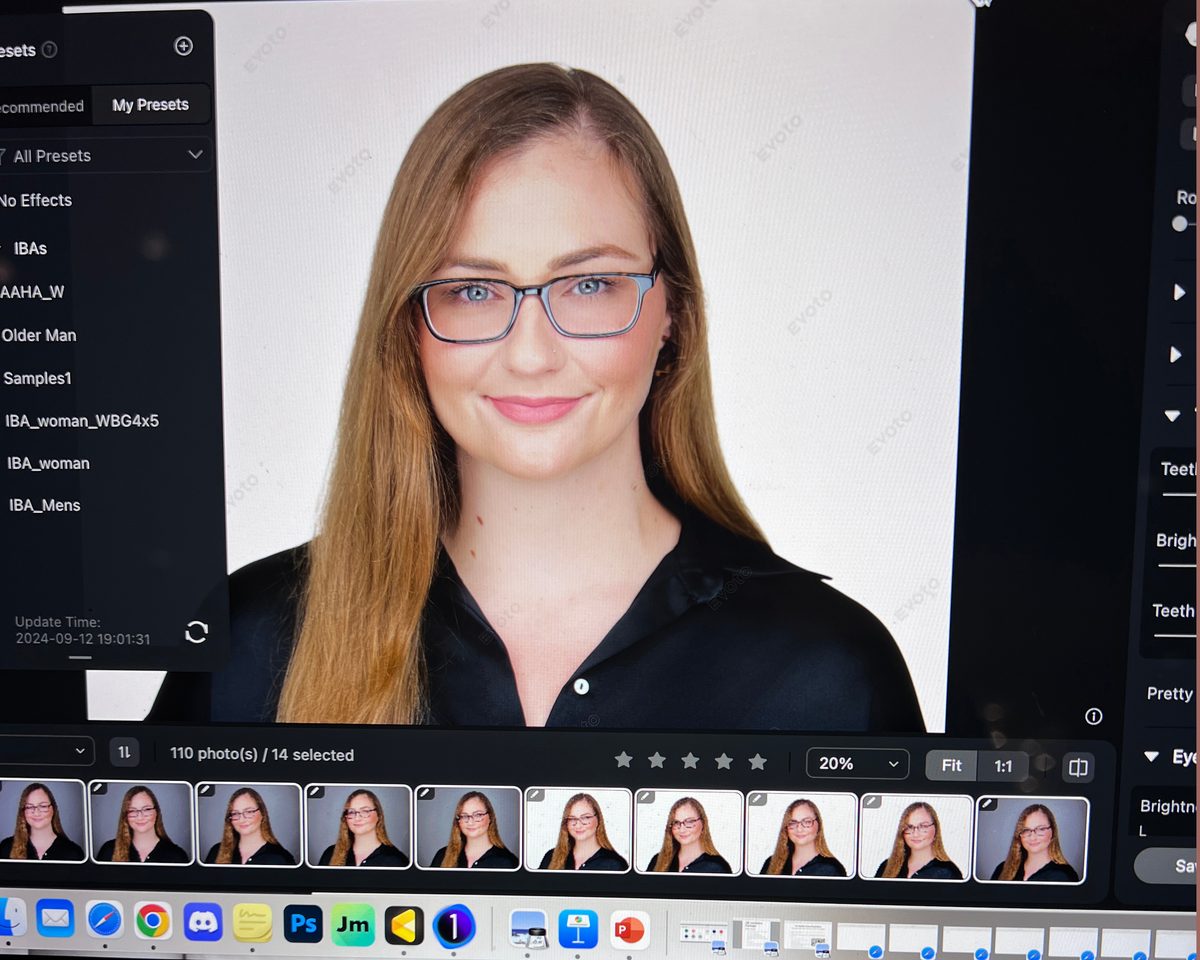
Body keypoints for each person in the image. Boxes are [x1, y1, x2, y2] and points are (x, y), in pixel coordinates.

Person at [171, 61, 923, 734]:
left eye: (590, 284)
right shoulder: (250, 641)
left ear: (673, 316)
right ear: (408, 331)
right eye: (471, 289)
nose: (531, 355)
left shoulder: (830, 671)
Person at [95, 784, 188, 863]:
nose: (140, 816)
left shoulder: (177, 856)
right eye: (132, 811)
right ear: (125, 816)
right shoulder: (108, 850)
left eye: (147, 809)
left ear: (157, 813)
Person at [317, 789, 410, 867]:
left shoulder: (396, 860)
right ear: (345, 818)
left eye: (365, 811)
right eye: (351, 812)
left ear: (379, 816)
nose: (357, 818)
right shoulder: (330, 854)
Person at [203, 787, 295, 865]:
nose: (242, 819)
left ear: (263, 814)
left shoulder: (282, 858)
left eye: (249, 812)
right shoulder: (216, 852)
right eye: (235, 813)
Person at [537, 793, 628, 871]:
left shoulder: (615, 864)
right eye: (572, 819)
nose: (578, 825)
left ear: (598, 820)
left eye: (586, 817)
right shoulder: (550, 857)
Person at [989, 803, 1079, 882]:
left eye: (1041, 829)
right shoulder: (1002, 869)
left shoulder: (1065, 875)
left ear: (1053, 832)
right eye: (1026, 830)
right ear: (1019, 835)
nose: (1032, 837)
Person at [429, 791, 518, 869]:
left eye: (478, 815)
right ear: (458, 821)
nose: (470, 822)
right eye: (464, 816)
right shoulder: (442, 855)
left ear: (490, 818)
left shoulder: (508, 862)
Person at [874, 801, 962, 879]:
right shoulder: (887, 867)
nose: (915, 834)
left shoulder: (949, 872)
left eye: (923, 826)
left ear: (936, 829)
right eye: (909, 827)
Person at [759, 798, 846, 876]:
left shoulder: (832, 869)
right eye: (793, 823)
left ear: (818, 825)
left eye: (807, 822)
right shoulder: (771, 863)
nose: (799, 829)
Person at [0, 782, 84, 861]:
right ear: (23, 812)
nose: (36, 813)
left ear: (53, 809)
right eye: (29, 807)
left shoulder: (73, 852)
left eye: (43, 806)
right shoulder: (6, 848)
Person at [645, 797, 731, 874]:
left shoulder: (718, 867)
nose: (682, 829)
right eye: (676, 823)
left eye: (689, 821)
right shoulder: (658, 860)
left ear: (703, 824)